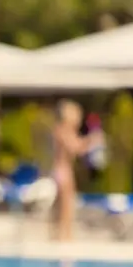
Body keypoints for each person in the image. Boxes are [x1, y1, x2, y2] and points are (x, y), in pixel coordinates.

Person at [51, 100, 101, 243]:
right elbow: (76, 147)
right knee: (66, 204)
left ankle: (60, 234)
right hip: (63, 170)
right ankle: (64, 236)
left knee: (62, 204)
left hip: (61, 169)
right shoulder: (63, 130)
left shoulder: (61, 129)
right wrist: (92, 140)